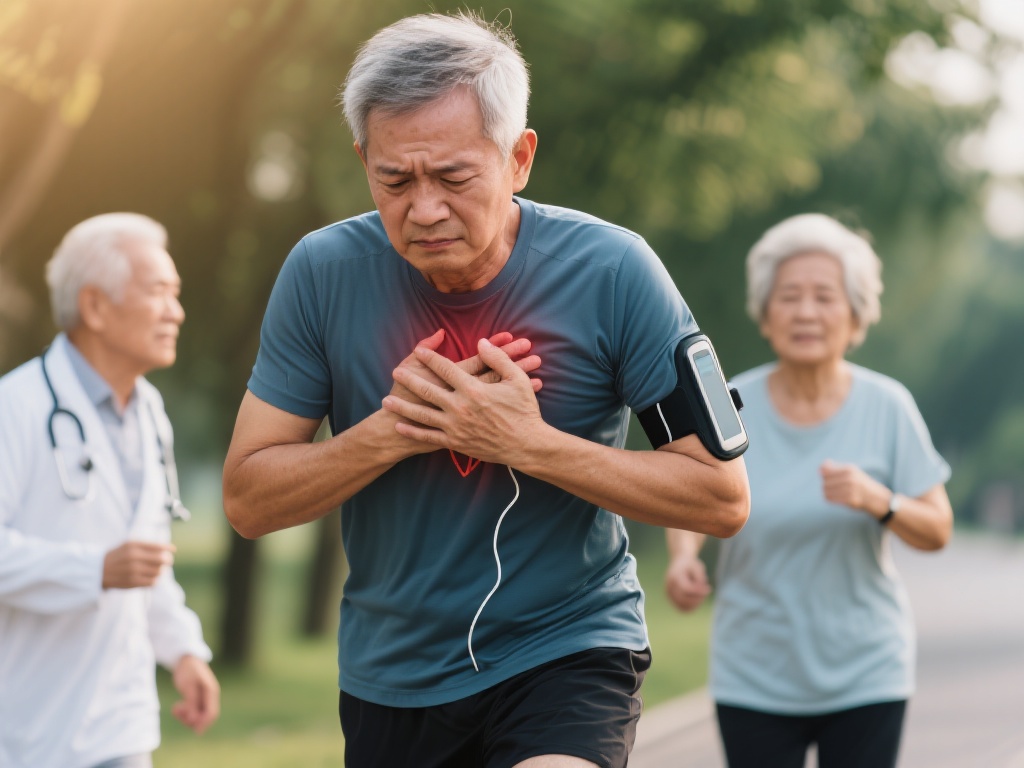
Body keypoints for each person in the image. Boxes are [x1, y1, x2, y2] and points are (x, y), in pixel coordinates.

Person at [222, 11, 749, 768]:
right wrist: (391, 431)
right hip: (391, 680)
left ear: (519, 157)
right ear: (363, 159)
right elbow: (246, 496)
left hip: (567, 647)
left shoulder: (614, 271)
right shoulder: (322, 272)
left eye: (454, 177)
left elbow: (721, 497)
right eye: (393, 179)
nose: (423, 208)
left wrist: (526, 444)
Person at [665, 213, 953, 768]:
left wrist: (881, 501)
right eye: (788, 296)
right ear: (765, 315)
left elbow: (937, 529)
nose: (805, 311)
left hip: (867, 673)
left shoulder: (887, 406)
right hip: (753, 676)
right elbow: (686, 491)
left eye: (824, 296)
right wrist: (682, 560)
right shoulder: (728, 404)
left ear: (855, 315)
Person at [0, 213, 220, 768]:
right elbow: (114, 563)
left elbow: (147, 561)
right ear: (95, 306)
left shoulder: (148, 411)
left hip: (120, 726)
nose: (177, 312)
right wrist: (94, 569)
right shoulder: (15, 409)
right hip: (29, 732)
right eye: (158, 293)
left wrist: (185, 651)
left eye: (177, 293)